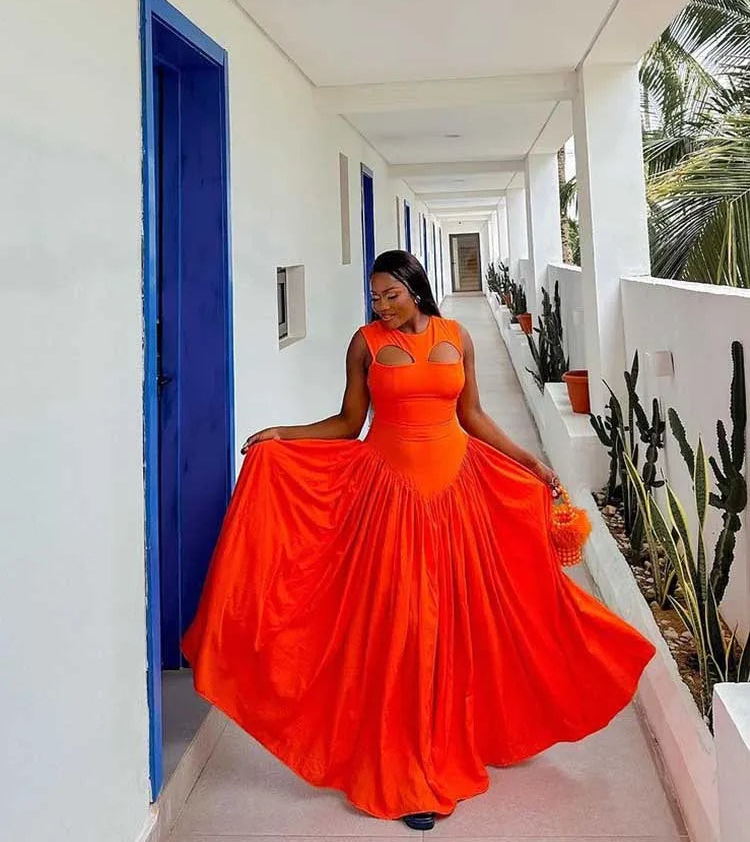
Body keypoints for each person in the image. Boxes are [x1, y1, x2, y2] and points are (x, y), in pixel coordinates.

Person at [182, 249, 655, 832]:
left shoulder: (458, 336)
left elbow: (472, 416)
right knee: (405, 625)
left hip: (458, 493)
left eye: (392, 295)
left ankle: (457, 735)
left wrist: (529, 461)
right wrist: (285, 433)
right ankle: (408, 765)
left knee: (464, 618)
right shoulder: (365, 344)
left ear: (415, 289)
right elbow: (348, 423)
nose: (382, 305)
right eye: (375, 297)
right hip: (389, 497)